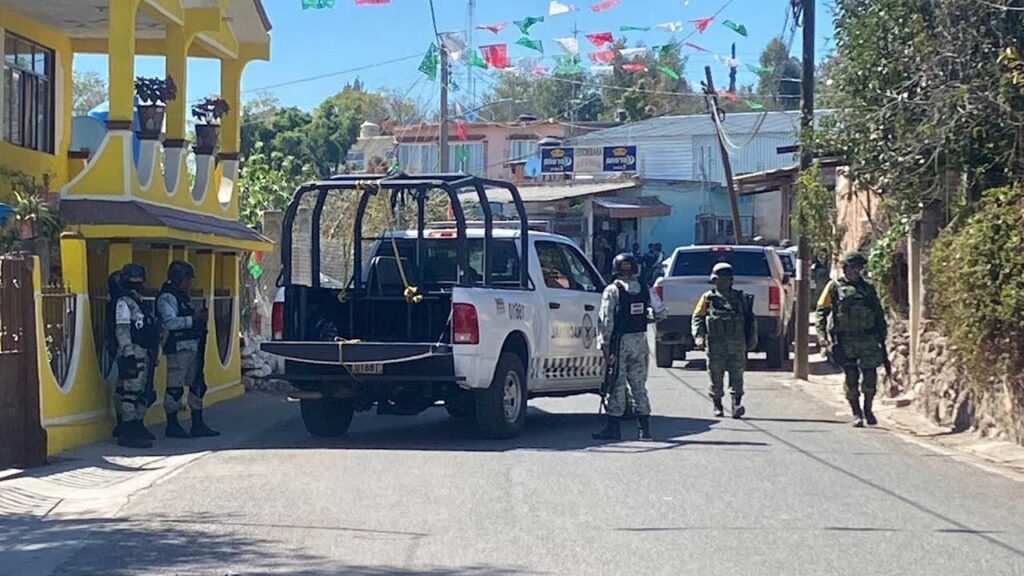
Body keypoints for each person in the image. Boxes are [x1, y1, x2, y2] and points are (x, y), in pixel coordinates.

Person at [592, 253, 667, 441]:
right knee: (639, 385)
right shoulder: (644, 288)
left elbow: (606, 320)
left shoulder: (612, 290)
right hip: (640, 341)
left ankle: (613, 428)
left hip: (620, 342)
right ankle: (645, 429)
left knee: (616, 383)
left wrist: (605, 344)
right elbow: (661, 311)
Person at [815, 251, 887, 427]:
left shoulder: (868, 288)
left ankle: (868, 409)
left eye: (858, 268)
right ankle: (856, 412)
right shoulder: (833, 287)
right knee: (851, 377)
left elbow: (878, 313)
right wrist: (822, 336)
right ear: (845, 268)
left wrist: (881, 334)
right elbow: (821, 312)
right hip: (845, 340)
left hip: (867, 339)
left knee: (870, 376)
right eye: (852, 267)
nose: (855, 271)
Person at [158, 260, 220, 438]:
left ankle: (198, 424)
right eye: (187, 280)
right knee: (175, 388)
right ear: (179, 279)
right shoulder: (167, 298)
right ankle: (172, 425)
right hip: (179, 349)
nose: (189, 284)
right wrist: (194, 319)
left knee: (197, 386)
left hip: (193, 348)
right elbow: (170, 322)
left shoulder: (183, 297)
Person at [692, 262, 756, 418]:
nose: (722, 282)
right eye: (719, 279)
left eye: (726, 279)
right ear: (714, 280)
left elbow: (750, 320)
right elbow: (698, 318)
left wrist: (752, 339)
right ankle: (717, 405)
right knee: (715, 375)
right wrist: (699, 337)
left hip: (737, 343)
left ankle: (736, 404)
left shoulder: (742, 298)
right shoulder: (708, 298)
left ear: (731, 280)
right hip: (715, 344)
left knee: (737, 375)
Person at [110, 263, 161, 448]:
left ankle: (137, 426)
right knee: (130, 392)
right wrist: (128, 353)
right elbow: (122, 329)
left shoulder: (138, 301)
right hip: (133, 350)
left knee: (143, 391)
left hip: (144, 350)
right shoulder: (123, 302)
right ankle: (128, 431)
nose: (137, 284)